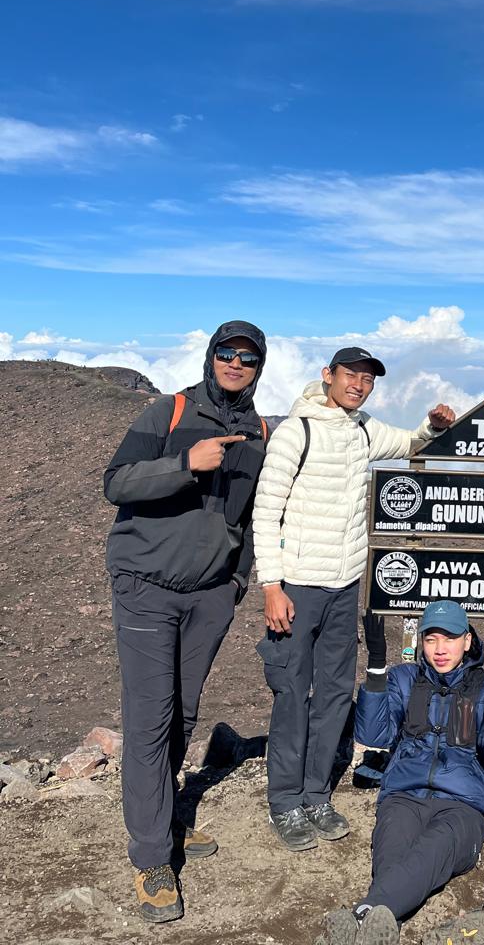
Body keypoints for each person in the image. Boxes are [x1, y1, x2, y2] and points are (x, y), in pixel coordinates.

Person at [252, 346, 456, 852]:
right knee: (292, 695)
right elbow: (266, 510)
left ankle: (317, 794)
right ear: (328, 376)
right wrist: (272, 585)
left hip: (345, 586)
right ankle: (285, 801)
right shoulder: (294, 433)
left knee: (336, 694)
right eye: (351, 375)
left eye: (367, 379)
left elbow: (411, 441)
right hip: (297, 585)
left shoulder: (364, 430)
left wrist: (432, 426)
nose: (359, 385)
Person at [104, 321, 270, 923]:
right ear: (210, 357)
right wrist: (184, 463)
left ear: (258, 369)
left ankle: (165, 813)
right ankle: (151, 858)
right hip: (146, 587)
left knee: (184, 711)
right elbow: (115, 483)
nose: (236, 364)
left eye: (248, 359)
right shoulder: (168, 411)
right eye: (227, 354)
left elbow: (251, 518)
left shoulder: (259, 431)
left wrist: (237, 581)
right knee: (150, 717)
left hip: (209, 595)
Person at [315, 600, 484, 945]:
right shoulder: (405, 679)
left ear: (467, 640)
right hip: (404, 796)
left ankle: (361, 915)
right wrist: (375, 670)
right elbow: (374, 736)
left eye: (449, 639)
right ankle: (376, 930)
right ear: (420, 643)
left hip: (464, 807)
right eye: (431, 640)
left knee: (429, 852)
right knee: (392, 859)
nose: (440, 649)